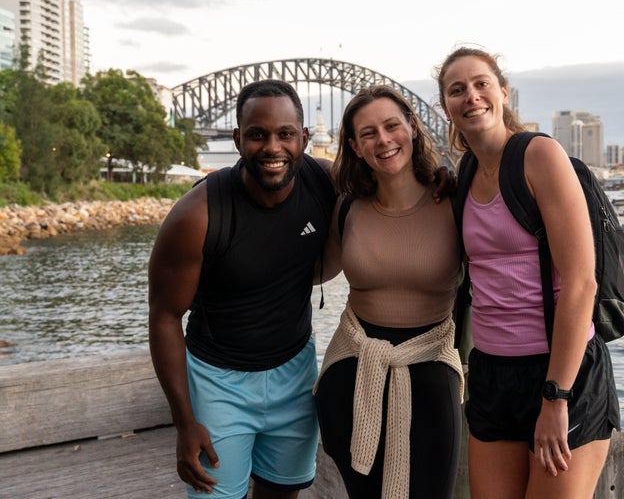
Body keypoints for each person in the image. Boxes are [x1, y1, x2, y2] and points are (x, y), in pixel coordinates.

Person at [436, 47, 621, 499]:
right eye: (456, 90)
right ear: (446, 107)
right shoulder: (464, 173)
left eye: (481, 84)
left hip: (560, 373)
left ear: (502, 92)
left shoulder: (539, 155)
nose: (471, 96)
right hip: (492, 373)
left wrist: (556, 397)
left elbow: (582, 283)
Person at [148, 79, 338, 499]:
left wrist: (438, 177)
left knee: (283, 493)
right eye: (257, 134)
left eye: (285, 134)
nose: (273, 147)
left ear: (304, 138)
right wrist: (185, 422)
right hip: (219, 383)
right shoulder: (195, 216)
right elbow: (164, 318)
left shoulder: (325, 182)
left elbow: (390, 184)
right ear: (237, 139)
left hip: (295, 371)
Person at [313, 85, 464, 499]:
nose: (383, 139)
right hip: (351, 373)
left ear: (413, 128)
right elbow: (309, 273)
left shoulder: (453, 200)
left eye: (392, 125)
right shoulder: (346, 208)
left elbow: (508, 257)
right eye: (368, 133)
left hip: (431, 371)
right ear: (354, 146)